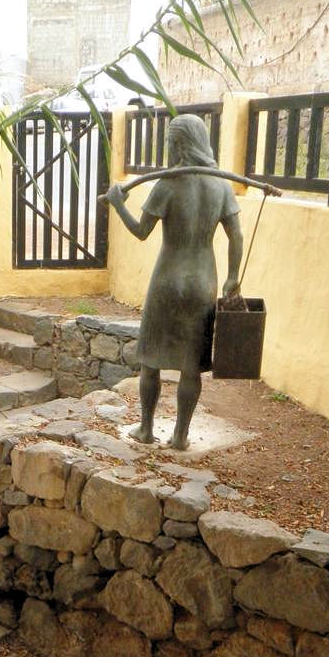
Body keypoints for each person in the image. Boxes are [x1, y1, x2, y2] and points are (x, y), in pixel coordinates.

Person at [104, 113, 243, 451]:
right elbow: (237, 235)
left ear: (179, 144)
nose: (167, 146)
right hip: (203, 281)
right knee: (190, 365)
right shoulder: (220, 185)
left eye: (169, 140)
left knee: (150, 360)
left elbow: (140, 232)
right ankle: (180, 435)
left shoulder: (167, 184)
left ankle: (146, 429)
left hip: (167, 279)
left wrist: (117, 203)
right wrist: (232, 278)